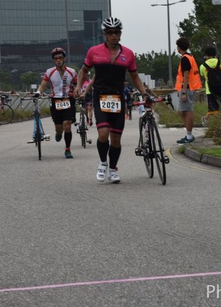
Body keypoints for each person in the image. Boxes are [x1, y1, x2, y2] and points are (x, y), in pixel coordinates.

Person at [74, 17, 147, 183]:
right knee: (103, 133)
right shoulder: (94, 51)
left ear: (120, 34)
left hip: (118, 97)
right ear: (104, 34)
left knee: (115, 138)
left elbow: (134, 76)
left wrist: (143, 92)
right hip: (100, 96)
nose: (113, 35)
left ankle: (113, 169)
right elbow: (84, 70)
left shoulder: (128, 53)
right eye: (110, 32)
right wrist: (79, 86)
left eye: (116, 32)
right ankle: (103, 163)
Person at [35, 47, 78, 158]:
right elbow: (43, 85)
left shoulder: (72, 72)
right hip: (56, 101)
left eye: (60, 57)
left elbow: (77, 84)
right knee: (59, 128)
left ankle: (67, 149)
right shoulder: (49, 72)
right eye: (56, 58)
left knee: (67, 125)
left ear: (64, 58)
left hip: (68, 100)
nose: (58, 60)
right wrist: (38, 92)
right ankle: (59, 133)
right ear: (53, 60)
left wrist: (78, 91)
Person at [174, 37, 202, 143]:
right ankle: (188, 134)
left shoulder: (185, 59)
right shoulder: (190, 57)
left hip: (187, 88)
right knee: (182, 112)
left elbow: (186, 76)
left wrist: (184, 91)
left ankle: (189, 136)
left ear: (179, 47)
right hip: (189, 87)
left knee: (187, 111)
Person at [199, 46, 221, 114]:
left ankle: (215, 120)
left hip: (210, 90)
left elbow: (203, 76)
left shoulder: (202, 66)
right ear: (215, 54)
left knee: (213, 111)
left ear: (206, 55)